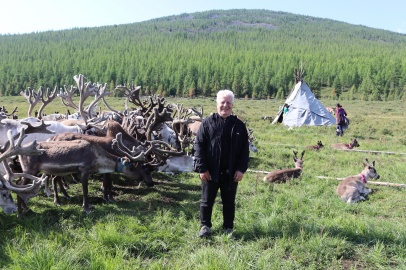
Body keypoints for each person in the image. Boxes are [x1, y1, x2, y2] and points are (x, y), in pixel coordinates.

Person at [194, 90, 250, 239]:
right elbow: (198, 146)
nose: (225, 105)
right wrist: (202, 168)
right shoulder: (207, 123)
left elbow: (245, 150)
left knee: (229, 202)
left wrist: (241, 169)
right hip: (210, 172)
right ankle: (205, 226)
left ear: (232, 104)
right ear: (217, 104)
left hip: (231, 172)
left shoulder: (239, 125)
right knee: (206, 201)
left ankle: (228, 228)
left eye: (228, 103)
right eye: (222, 102)